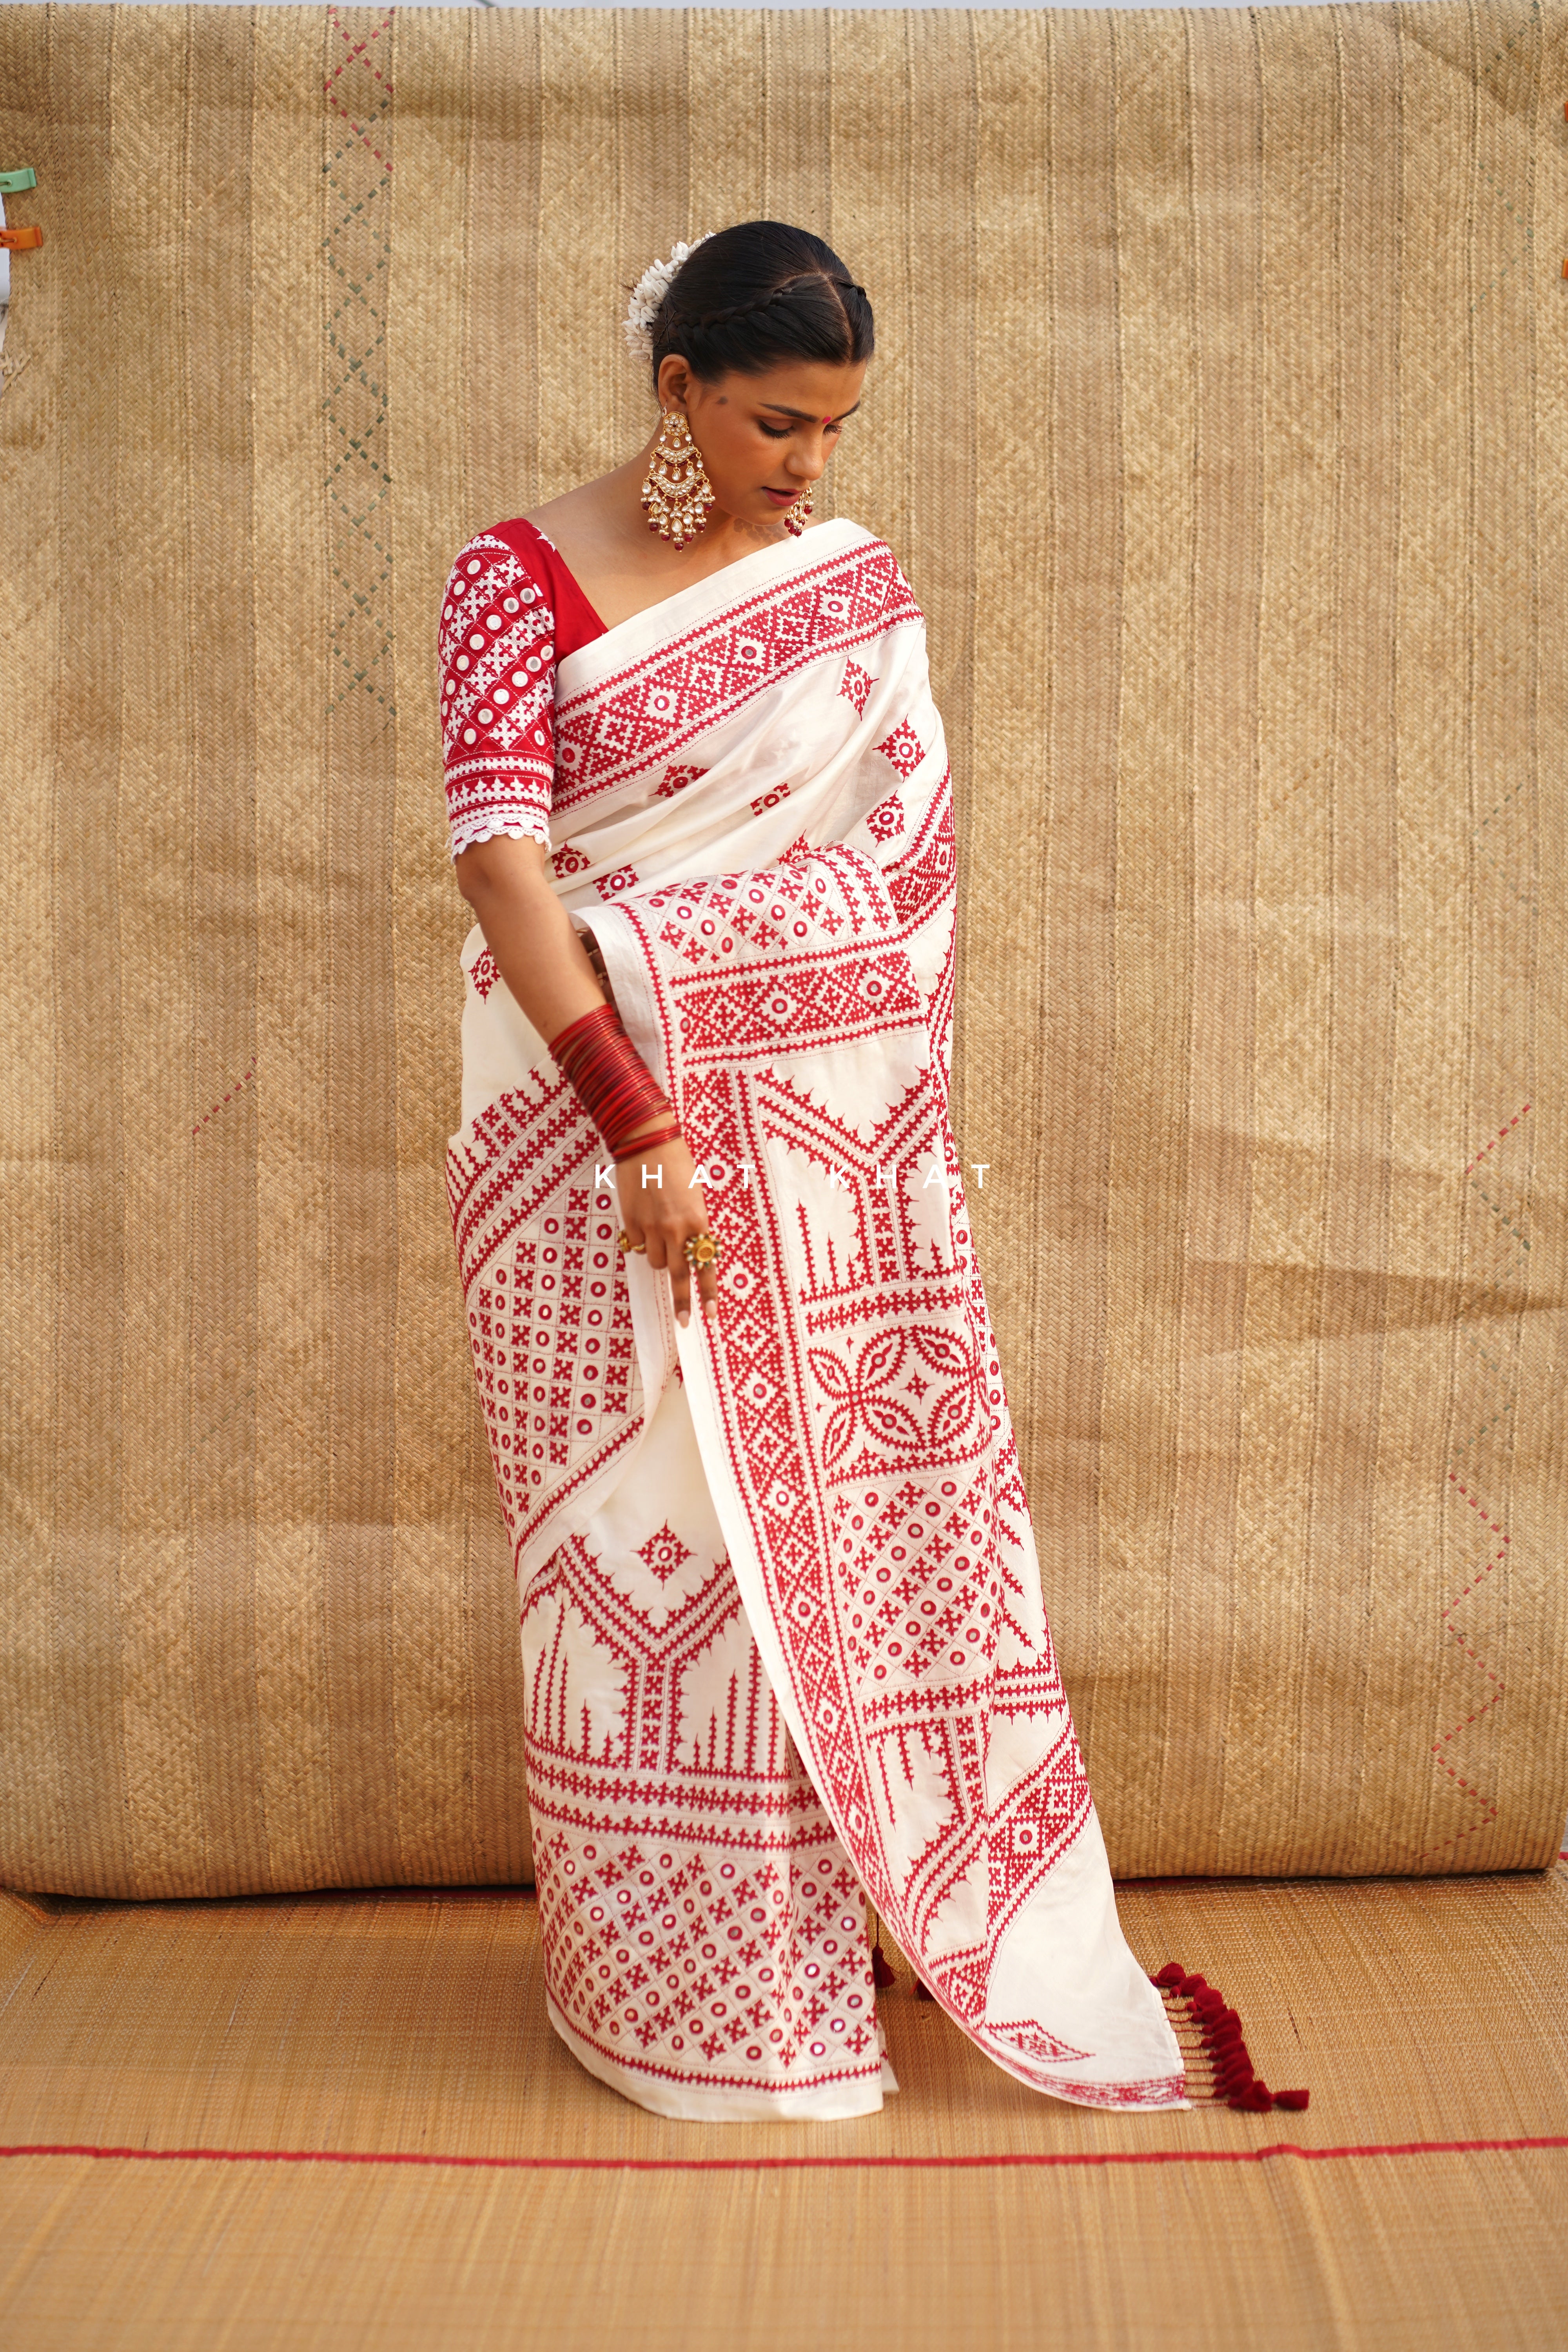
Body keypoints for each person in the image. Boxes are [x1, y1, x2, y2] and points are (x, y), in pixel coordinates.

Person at [441, 221, 1184, 2121]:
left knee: (824, 1524)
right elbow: (503, 866)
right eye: (778, 422)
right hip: (569, 1141)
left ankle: (855, 1926)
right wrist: (638, 1118)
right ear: (676, 386)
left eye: (838, 428)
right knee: (638, 1554)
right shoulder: (513, 577)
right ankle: (680, 1996)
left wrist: (691, 1001)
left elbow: (906, 865)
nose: (810, 463)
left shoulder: (843, 593)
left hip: (811, 1149)